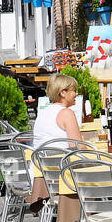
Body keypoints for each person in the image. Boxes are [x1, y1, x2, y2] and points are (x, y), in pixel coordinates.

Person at [28, 73, 88, 209]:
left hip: (45, 177)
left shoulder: (43, 113)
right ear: (63, 93)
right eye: (73, 90)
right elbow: (78, 148)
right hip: (65, 178)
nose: (76, 94)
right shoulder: (66, 113)